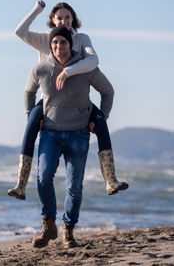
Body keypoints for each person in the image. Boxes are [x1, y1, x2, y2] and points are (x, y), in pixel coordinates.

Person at [8, 0, 128, 199]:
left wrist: (68, 71)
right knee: (30, 126)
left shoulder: (81, 39)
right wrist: (37, 10)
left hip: (77, 98)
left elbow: (94, 60)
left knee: (101, 123)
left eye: (68, 17)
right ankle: (20, 184)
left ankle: (110, 180)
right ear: (53, 21)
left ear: (73, 19)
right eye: (59, 18)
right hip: (49, 99)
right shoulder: (46, 39)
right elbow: (19, 32)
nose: (64, 21)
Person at [26, 27, 114, 248]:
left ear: (70, 45)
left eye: (63, 43)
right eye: (54, 43)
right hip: (50, 134)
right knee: (43, 177)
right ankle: (48, 225)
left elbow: (108, 91)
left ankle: (68, 230)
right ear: (50, 46)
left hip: (78, 133)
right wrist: (32, 118)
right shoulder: (41, 68)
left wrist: (100, 118)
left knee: (74, 186)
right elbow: (28, 92)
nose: (58, 47)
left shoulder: (85, 68)